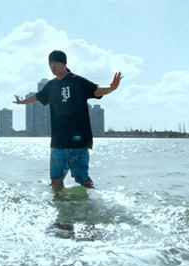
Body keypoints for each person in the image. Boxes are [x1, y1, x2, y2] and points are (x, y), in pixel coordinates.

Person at [14, 50, 122, 191]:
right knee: (55, 182)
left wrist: (112, 88)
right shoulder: (51, 86)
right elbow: (38, 97)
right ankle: (63, 209)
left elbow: (96, 91)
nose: (52, 67)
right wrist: (22, 102)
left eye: (55, 64)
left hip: (79, 142)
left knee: (84, 181)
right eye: (50, 65)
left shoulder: (77, 81)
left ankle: (92, 206)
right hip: (58, 143)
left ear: (64, 64)